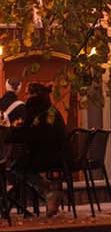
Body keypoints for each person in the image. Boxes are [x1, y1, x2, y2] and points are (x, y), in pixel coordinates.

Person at [9, 82, 68, 215]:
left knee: (17, 166)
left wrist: (10, 134)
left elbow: (27, 133)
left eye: (27, 93)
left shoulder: (32, 107)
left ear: (33, 94)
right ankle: (49, 192)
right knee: (22, 162)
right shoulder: (51, 109)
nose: (25, 96)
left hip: (46, 155)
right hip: (61, 156)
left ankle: (46, 189)